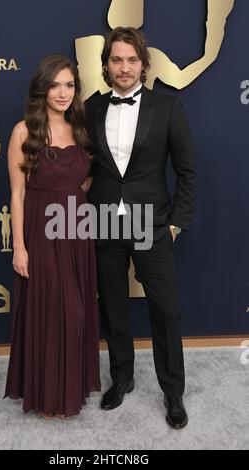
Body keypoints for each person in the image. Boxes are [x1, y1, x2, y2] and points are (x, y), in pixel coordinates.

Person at [85, 27, 196, 429]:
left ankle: (173, 392)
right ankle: (122, 378)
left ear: (143, 65)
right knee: (113, 306)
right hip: (103, 225)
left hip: (153, 224)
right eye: (117, 59)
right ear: (106, 65)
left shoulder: (167, 107)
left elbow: (187, 171)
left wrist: (177, 225)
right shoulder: (91, 108)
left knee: (165, 311)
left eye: (132, 60)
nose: (125, 67)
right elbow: (87, 168)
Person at [4, 55, 101, 418]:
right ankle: (49, 397)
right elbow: (16, 193)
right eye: (56, 85)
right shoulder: (22, 131)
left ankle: (69, 390)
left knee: (76, 312)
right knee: (53, 312)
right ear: (42, 88)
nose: (63, 92)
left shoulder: (80, 129)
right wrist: (20, 247)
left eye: (70, 85)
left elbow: (85, 177)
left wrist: (75, 195)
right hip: (41, 233)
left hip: (76, 230)